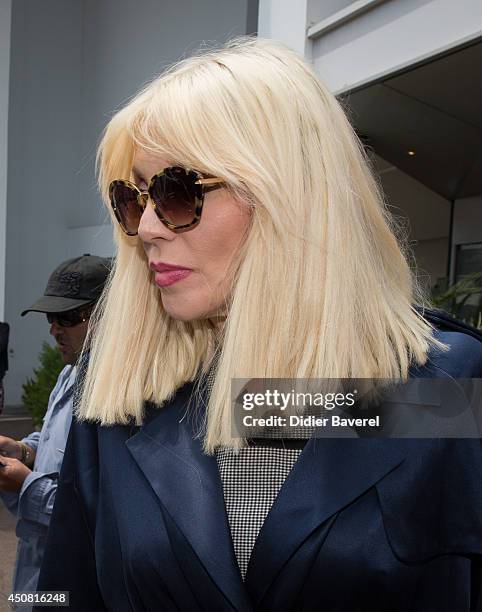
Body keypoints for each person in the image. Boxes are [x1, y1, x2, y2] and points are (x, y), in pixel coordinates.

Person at [35, 38, 482, 611]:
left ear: (287, 194)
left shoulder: (443, 389)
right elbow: (59, 591)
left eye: (175, 192)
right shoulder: (124, 383)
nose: (145, 226)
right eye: (133, 198)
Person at [0, 254, 111, 606]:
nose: (54, 329)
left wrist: (26, 485)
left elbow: (103, 516)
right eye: (51, 317)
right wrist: (23, 450)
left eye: (67, 317)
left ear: (109, 314)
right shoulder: (69, 375)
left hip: (74, 578)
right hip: (34, 570)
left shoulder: (120, 396)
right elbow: (53, 441)